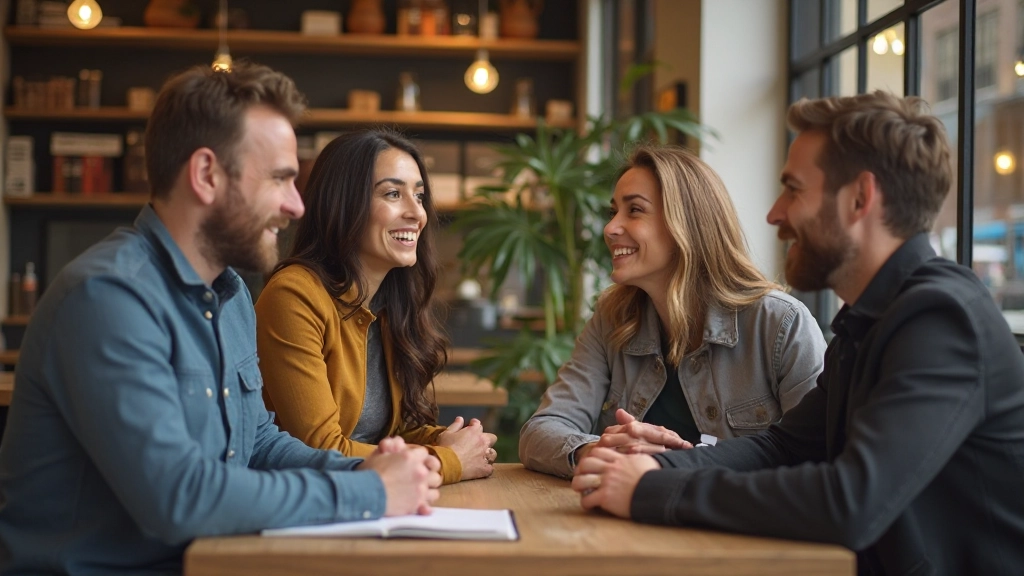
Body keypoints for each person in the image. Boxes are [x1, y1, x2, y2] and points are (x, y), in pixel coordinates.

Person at [0, 63, 441, 575]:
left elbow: (256, 443)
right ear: (206, 175)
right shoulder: (108, 298)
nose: (296, 206)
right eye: (279, 179)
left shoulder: (228, 295)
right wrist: (367, 490)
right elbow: (179, 498)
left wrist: (374, 468)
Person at [572, 92, 1024, 575]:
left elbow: (851, 501)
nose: (774, 213)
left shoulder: (941, 319)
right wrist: (651, 466)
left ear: (859, 198)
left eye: (793, 189)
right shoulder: (872, 319)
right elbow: (782, 447)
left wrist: (649, 490)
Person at [519, 144, 826, 479]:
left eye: (634, 210)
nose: (610, 229)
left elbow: (819, 459)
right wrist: (597, 451)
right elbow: (541, 431)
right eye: (613, 212)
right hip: (629, 519)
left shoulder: (780, 325)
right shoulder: (612, 319)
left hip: (739, 527)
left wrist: (675, 466)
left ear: (687, 224)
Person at [254, 130, 497, 486]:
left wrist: (454, 441)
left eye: (419, 196)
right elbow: (321, 448)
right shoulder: (293, 295)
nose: (417, 213)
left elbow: (386, 435)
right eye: (393, 193)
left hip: (372, 499)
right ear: (344, 202)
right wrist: (448, 459)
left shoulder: (387, 303)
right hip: (309, 505)